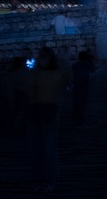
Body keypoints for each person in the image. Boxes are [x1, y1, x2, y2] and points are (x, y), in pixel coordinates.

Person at [28, 46, 62, 191]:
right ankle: (39, 179)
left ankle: (49, 180)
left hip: (49, 111)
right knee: (38, 148)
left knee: (48, 148)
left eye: (44, 57)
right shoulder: (36, 73)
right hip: (37, 111)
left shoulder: (55, 73)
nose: (42, 60)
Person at [70, 50, 94, 127]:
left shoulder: (75, 65)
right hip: (83, 87)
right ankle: (80, 121)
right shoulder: (87, 65)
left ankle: (74, 121)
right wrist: (91, 61)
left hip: (76, 86)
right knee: (82, 105)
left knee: (76, 104)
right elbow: (93, 70)